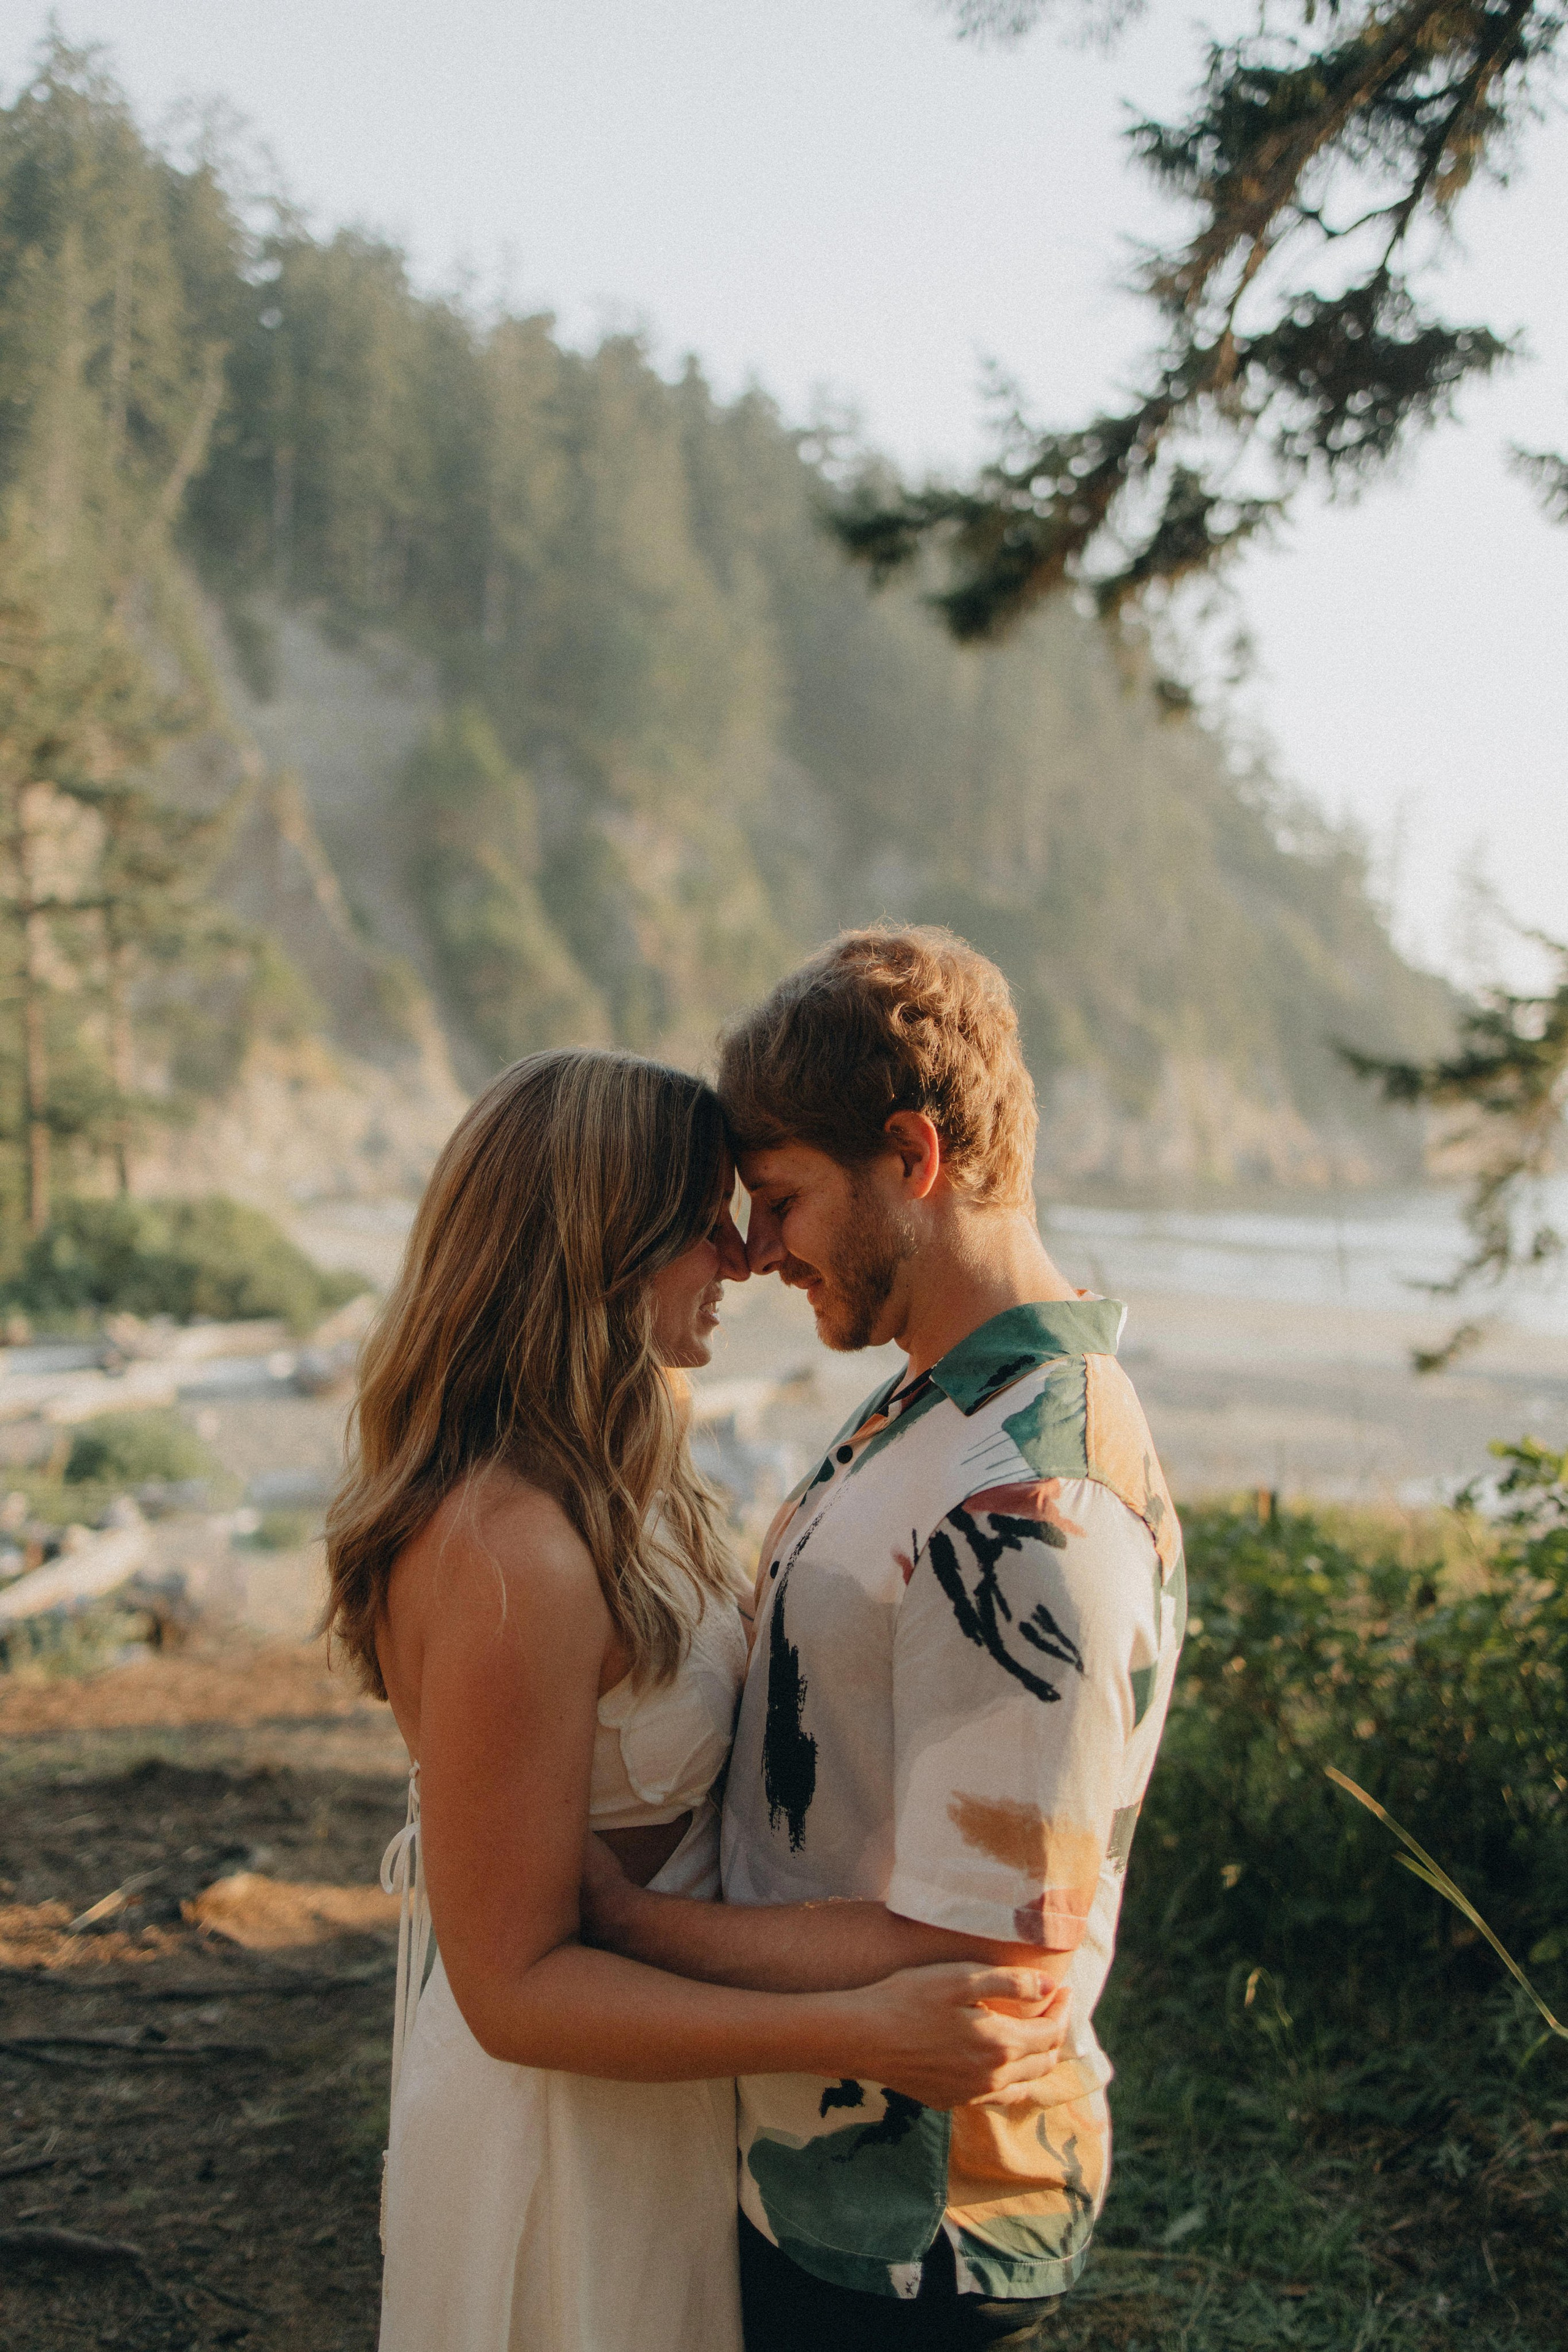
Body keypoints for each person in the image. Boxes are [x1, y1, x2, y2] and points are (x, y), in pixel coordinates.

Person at [322, 1047, 1070, 2352]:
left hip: (673, 2093)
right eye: (703, 1221)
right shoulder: (512, 1549)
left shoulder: (620, 1484)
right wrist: (857, 2028)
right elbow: (513, 1989)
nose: (739, 1257)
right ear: (599, 1242)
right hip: (568, 2128)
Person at [582, 929, 1186, 2350]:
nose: (755, 1248)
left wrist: (616, 1930)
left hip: (907, 2224)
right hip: (813, 2166)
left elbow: (977, 1958)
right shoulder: (927, 1404)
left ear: (911, 1156)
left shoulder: (1030, 1505)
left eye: (781, 1198)